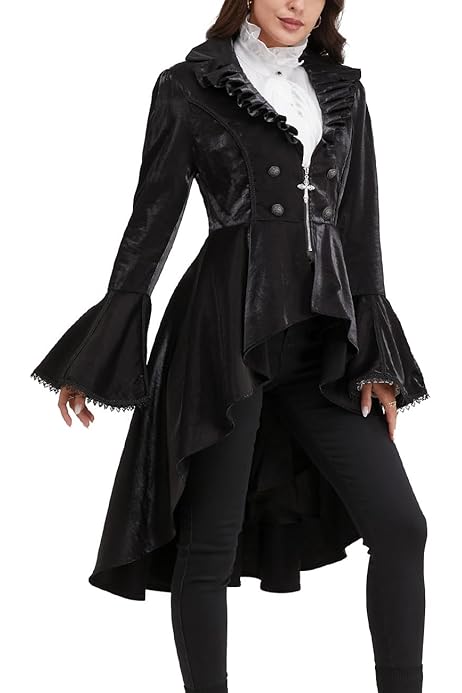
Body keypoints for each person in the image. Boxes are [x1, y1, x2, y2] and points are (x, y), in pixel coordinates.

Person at [30, 2, 430, 692]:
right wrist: (102, 346)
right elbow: (152, 219)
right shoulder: (189, 84)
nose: (297, 4)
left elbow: (359, 229)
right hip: (223, 335)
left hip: (324, 343)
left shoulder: (343, 90)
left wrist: (378, 358)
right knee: (208, 542)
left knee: (401, 526)